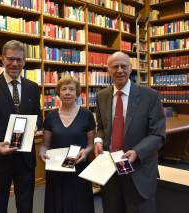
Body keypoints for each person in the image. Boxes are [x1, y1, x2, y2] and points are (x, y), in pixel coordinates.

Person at [94, 51, 166, 213]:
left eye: (124, 66)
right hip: (111, 170)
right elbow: (101, 127)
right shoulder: (102, 96)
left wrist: (136, 152)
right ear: (108, 70)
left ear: (130, 68)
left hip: (139, 170)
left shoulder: (150, 96)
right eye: (115, 66)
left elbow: (158, 134)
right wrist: (98, 140)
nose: (120, 70)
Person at [0, 40, 42, 213]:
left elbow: (38, 117)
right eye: (11, 59)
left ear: (24, 61)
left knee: (26, 203)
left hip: (25, 159)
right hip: (0, 157)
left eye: (19, 60)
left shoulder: (33, 88)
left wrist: (35, 126)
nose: (15, 63)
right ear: (2, 59)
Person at [39, 76, 95, 213]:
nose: (68, 92)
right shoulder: (51, 117)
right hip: (57, 171)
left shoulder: (87, 115)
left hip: (79, 169)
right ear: (58, 93)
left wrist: (86, 152)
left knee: (80, 205)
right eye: (64, 89)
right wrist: (42, 152)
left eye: (72, 89)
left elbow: (91, 144)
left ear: (77, 93)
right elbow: (45, 145)